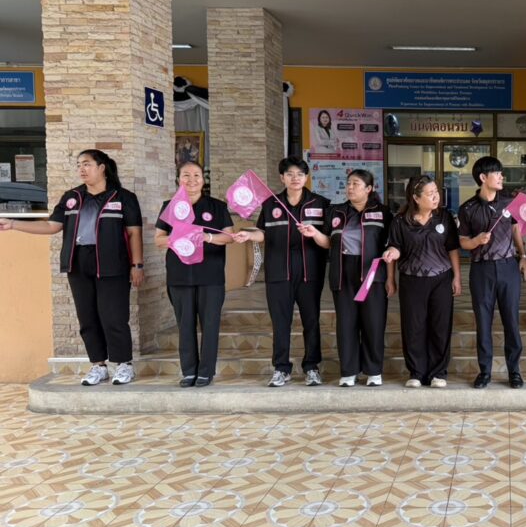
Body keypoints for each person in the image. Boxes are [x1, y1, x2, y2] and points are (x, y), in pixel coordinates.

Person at [0, 149, 143, 385]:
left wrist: (137, 265)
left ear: (102, 168)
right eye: (79, 165)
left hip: (112, 264)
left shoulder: (123, 197)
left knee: (113, 317)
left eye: (86, 164)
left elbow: (134, 233)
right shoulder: (72, 197)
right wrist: (14, 224)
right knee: (87, 318)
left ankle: (123, 364)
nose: (81, 169)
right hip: (78, 264)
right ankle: (98, 365)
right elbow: (52, 226)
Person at [235, 156, 329, 387]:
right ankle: (281, 368)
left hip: (309, 272)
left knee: (311, 321)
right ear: (282, 178)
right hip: (278, 271)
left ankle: (311, 367)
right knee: (280, 322)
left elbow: (328, 240)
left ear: (306, 177)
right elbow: (263, 233)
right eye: (290, 174)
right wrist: (249, 235)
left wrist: (314, 234)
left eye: (300, 174)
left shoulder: (321, 203)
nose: (295, 178)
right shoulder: (271, 204)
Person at [300, 170, 395, 387]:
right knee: (346, 323)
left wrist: (390, 278)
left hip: (372, 273)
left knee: (373, 323)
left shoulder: (382, 212)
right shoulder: (336, 211)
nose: (350, 187)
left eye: (356, 184)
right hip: (343, 272)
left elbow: (391, 246)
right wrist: (314, 233)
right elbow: (328, 242)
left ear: (369, 189)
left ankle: (373, 371)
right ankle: (349, 371)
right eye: (349, 183)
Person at [154, 161, 238, 387]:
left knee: (210, 324)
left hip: (210, 275)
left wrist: (207, 237)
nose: (191, 180)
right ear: (178, 179)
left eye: (196, 175)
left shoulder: (217, 206)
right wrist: (179, 237)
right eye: (186, 175)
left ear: (203, 179)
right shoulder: (170, 206)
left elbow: (229, 237)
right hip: (179, 275)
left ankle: (206, 372)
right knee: (185, 325)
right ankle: (189, 371)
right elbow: (158, 240)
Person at [383, 175, 461, 388]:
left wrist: (457, 277)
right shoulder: (400, 221)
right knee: (413, 327)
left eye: (436, 192)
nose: (436, 197)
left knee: (440, 326)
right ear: (416, 198)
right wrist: (391, 272)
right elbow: (394, 246)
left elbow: (452, 248)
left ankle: (438, 373)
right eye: (430, 194)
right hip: (412, 281)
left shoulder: (444, 217)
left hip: (441, 279)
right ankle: (417, 373)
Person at [458, 156, 526, 389]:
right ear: (483, 177)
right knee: (483, 322)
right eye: (497, 173)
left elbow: (516, 230)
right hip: (481, 270)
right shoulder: (467, 208)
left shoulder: (509, 202)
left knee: (511, 321)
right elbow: (463, 242)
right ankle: (485, 371)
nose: (501, 177)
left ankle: (514, 371)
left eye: (500, 173)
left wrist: (523, 256)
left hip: (508, 267)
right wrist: (476, 241)